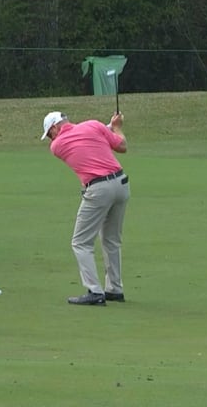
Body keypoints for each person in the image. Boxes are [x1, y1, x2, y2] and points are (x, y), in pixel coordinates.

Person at [40, 111, 130, 306]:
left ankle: (95, 292)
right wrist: (117, 127)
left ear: (55, 127)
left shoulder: (57, 146)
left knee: (81, 242)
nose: (50, 138)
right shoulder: (93, 125)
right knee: (111, 240)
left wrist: (110, 127)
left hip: (98, 190)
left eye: (49, 133)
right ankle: (115, 289)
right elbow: (121, 145)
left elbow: (84, 138)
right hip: (121, 184)